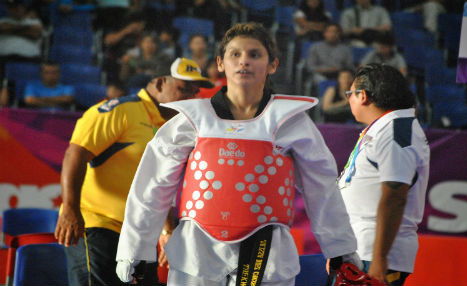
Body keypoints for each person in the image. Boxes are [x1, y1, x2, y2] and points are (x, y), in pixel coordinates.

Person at [115, 22, 362, 286]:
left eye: (254, 54)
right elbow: (152, 185)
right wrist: (134, 250)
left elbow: (322, 188)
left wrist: (341, 250)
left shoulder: (291, 122)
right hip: (197, 256)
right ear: (220, 63)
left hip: (268, 257)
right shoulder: (192, 119)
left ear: (273, 65)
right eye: (235, 54)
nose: (244, 61)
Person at [54, 57, 213, 286]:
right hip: (98, 225)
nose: (190, 99)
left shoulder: (172, 129)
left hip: (138, 235)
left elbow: (160, 185)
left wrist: (168, 233)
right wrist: (69, 208)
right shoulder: (119, 111)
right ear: (159, 84)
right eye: (183, 90)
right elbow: (76, 154)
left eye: (194, 93)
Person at [337, 63, 430, 285]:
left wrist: (380, 258)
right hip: (360, 250)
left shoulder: (397, 131)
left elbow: (395, 197)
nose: (348, 99)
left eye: (350, 93)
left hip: (373, 256)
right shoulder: (386, 127)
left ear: (364, 96)